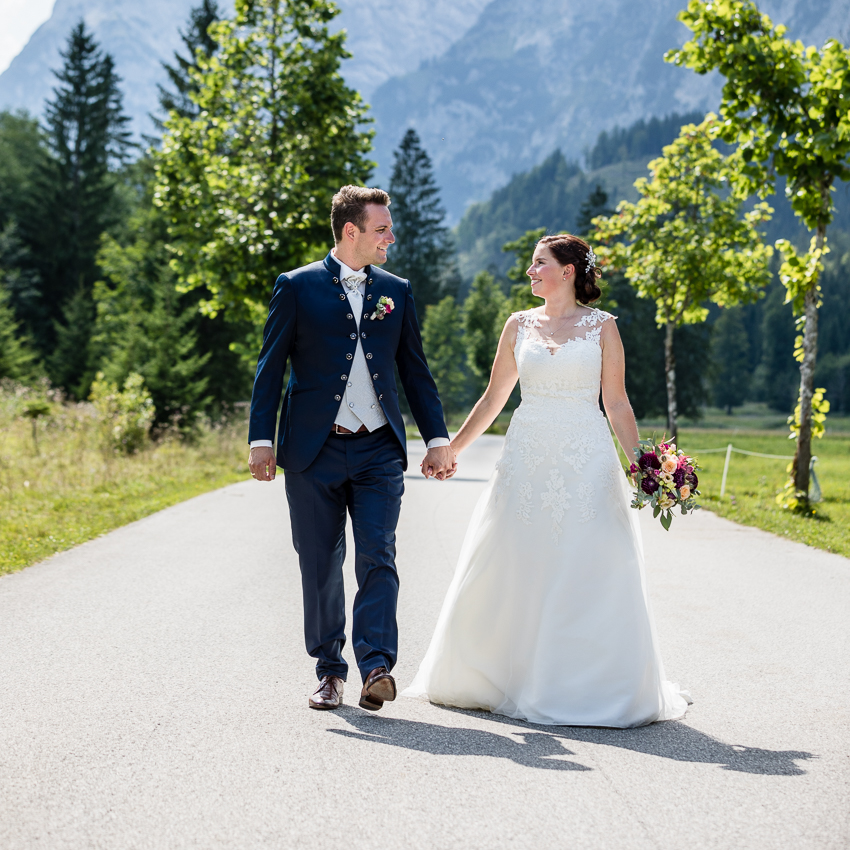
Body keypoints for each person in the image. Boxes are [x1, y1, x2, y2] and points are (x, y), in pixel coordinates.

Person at [404, 234, 691, 727]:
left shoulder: (603, 328)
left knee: (589, 563)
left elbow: (616, 403)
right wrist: (451, 449)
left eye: (540, 264)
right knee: (517, 559)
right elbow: (494, 398)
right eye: (532, 264)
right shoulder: (518, 325)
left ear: (568, 271)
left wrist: (644, 467)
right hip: (527, 456)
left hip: (586, 459)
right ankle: (503, 675)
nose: (531, 271)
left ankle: (586, 683)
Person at [248, 185, 456, 712]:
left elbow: (415, 371)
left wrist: (437, 439)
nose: (391, 236)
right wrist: (261, 440)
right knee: (319, 562)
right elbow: (270, 368)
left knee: (377, 556)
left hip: (379, 449)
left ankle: (377, 665)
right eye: (382, 228)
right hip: (313, 451)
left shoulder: (397, 291)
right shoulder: (296, 287)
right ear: (351, 231)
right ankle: (329, 670)